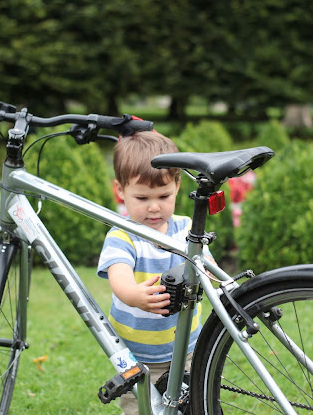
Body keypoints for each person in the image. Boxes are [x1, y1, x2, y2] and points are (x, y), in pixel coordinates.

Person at [97, 131, 211, 414]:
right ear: (120, 191)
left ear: (177, 185)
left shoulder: (186, 229)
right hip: (138, 357)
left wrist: (211, 278)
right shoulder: (122, 236)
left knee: (191, 402)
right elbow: (118, 275)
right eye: (142, 197)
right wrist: (134, 295)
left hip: (186, 347)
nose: (154, 206)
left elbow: (206, 264)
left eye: (163, 195)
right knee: (142, 408)